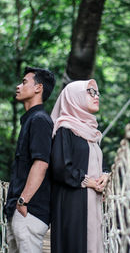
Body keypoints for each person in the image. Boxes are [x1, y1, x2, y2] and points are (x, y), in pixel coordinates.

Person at [50, 79, 109, 253]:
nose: (96, 96)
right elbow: (60, 167)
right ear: (74, 97)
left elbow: (99, 162)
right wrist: (88, 181)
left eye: (97, 92)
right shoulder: (65, 129)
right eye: (90, 92)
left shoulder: (92, 132)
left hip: (94, 202)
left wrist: (105, 175)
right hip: (73, 204)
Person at [4, 66, 56, 253]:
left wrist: (23, 202)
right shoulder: (30, 120)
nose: (18, 86)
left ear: (38, 88)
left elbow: (41, 163)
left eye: (24, 82)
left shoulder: (40, 120)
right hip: (19, 211)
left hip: (29, 211)